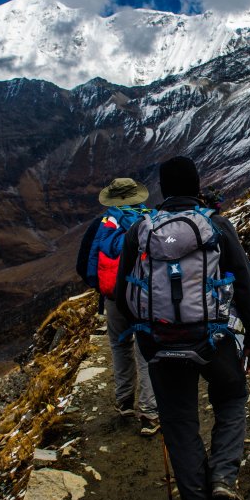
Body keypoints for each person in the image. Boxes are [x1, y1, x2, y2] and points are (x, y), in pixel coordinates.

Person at [115, 157, 250, 500]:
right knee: (232, 398)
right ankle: (223, 477)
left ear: (163, 190)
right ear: (198, 185)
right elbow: (245, 284)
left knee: (181, 428)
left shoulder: (140, 231)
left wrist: (145, 337)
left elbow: (122, 293)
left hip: (161, 346)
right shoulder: (216, 226)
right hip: (212, 340)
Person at [76, 177, 159, 436]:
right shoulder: (153, 220)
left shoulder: (101, 224)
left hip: (114, 297)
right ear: (138, 197)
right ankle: (149, 411)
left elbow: (83, 264)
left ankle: (124, 402)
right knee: (146, 349)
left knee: (120, 344)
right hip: (146, 298)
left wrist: (104, 288)